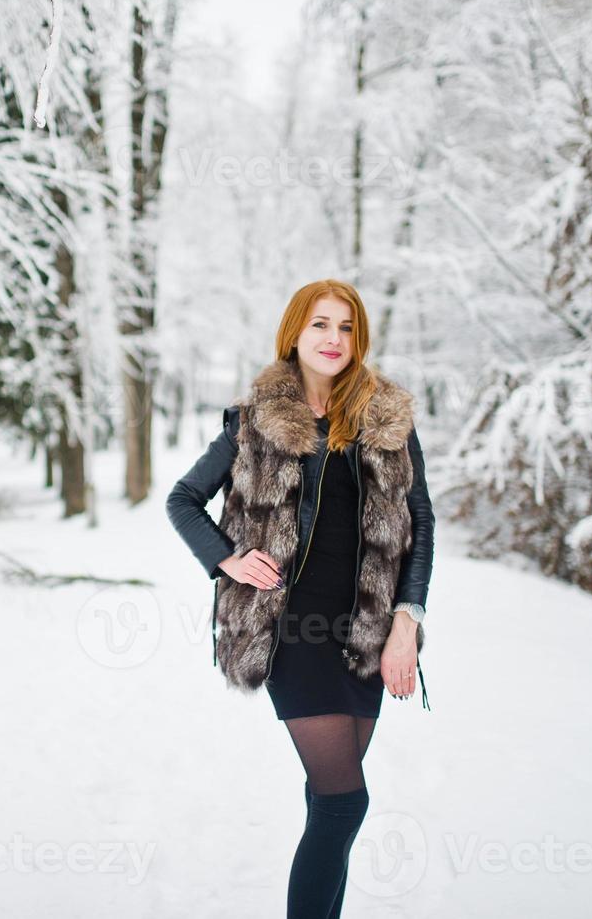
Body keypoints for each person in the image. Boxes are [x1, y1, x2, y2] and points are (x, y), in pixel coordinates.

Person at [165, 278, 435, 918]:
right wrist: (226, 557)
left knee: (328, 804)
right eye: (320, 324)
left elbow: (420, 522)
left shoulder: (387, 421)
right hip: (291, 628)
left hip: (366, 630)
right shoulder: (255, 421)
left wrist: (407, 622)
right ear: (295, 331)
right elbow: (182, 499)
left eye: (345, 327)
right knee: (345, 801)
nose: (333, 338)